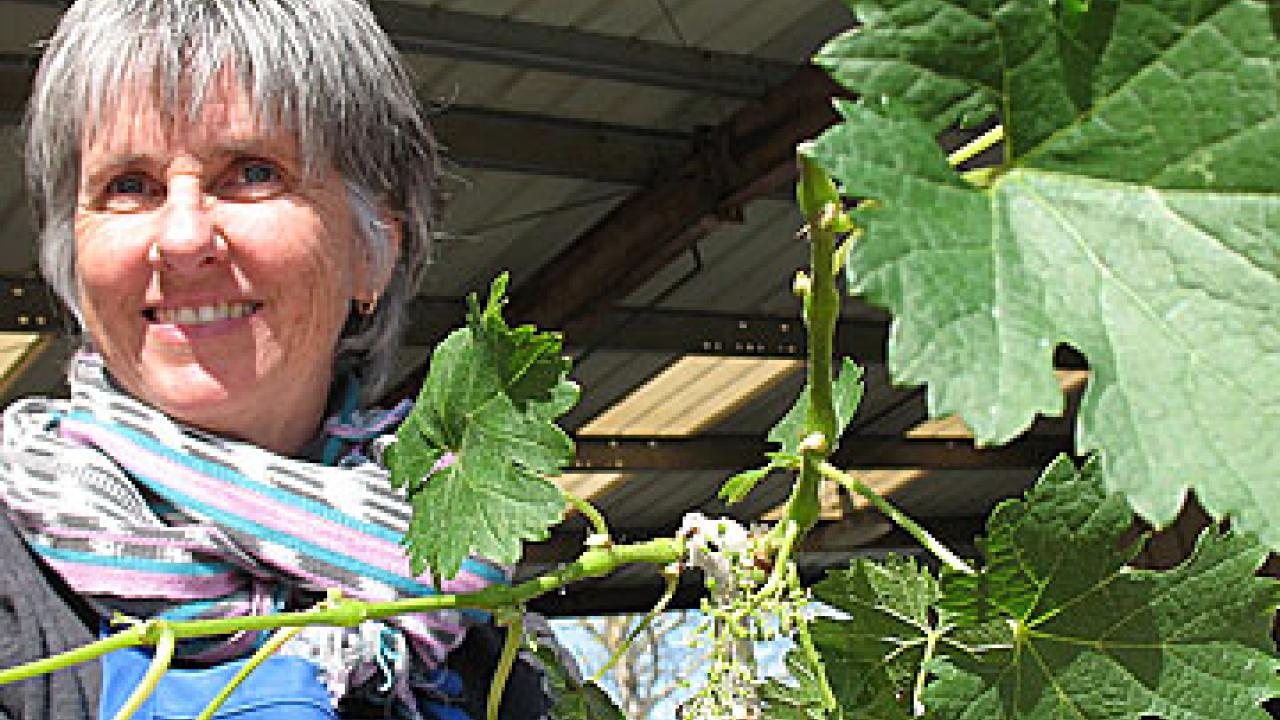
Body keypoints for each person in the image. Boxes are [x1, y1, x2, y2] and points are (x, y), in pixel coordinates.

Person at [0, 0, 559, 718]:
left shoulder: (498, 639)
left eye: (252, 172)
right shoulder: (16, 592)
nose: (181, 237)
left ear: (373, 248)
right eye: (129, 186)